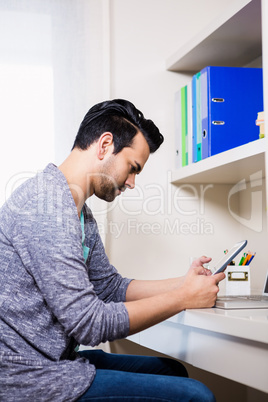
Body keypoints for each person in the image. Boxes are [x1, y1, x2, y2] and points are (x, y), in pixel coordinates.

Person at [0, 99, 225, 401]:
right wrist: (182, 298)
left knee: (171, 371)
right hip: (28, 378)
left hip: (55, 362)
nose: (132, 183)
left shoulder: (77, 209)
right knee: (197, 395)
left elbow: (109, 287)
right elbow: (90, 324)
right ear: (105, 145)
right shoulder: (47, 207)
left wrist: (184, 284)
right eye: (133, 168)